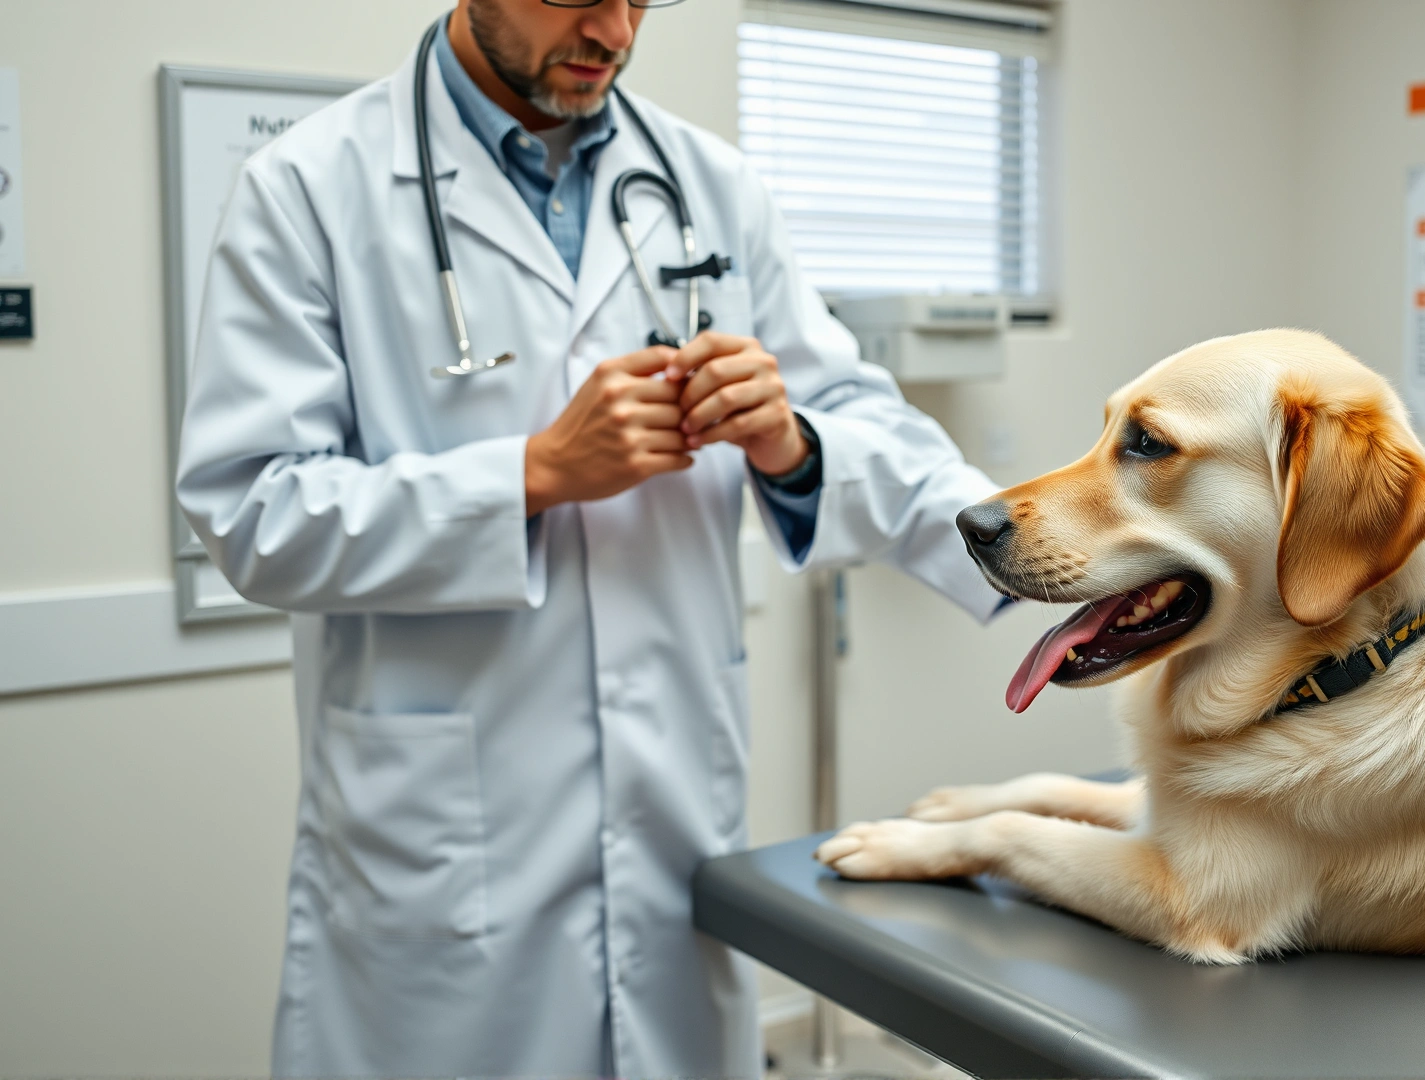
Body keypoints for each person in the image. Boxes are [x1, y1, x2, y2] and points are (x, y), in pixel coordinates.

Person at [173, 1, 1006, 1075]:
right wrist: (531, 474)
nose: (613, 28)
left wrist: (790, 440)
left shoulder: (711, 187)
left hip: (673, 835)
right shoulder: (306, 189)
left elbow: (865, 424)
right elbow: (254, 510)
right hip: (441, 869)